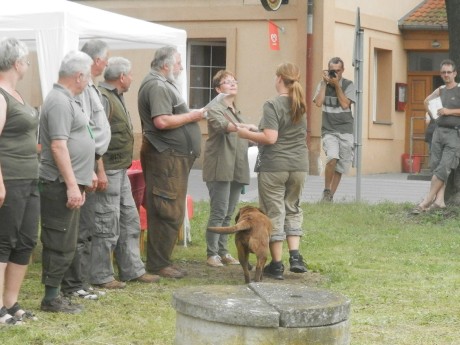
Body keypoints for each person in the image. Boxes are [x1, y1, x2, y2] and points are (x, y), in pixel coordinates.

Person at [138, 46, 206, 278]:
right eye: (178, 62)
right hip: (165, 157)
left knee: (171, 208)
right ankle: (158, 264)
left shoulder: (162, 83)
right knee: (165, 208)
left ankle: (162, 260)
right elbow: (162, 121)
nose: (181, 67)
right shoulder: (157, 85)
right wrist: (193, 115)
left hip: (171, 156)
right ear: (165, 65)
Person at [237, 62, 309, 280]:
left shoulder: (272, 104)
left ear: (279, 78)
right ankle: (295, 256)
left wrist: (246, 135)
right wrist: (255, 128)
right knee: (293, 208)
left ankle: (277, 265)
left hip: (275, 165)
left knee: (274, 211)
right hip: (298, 164)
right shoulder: (300, 102)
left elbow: (271, 137)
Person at [92, 57, 159, 285]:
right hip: (108, 171)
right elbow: (96, 139)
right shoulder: (103, 98)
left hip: (120, 170)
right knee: (106, 223)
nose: (131, 78)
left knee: (129, 220)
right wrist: (99, 171)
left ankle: (133, 269)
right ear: (122, 77)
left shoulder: (116, 96)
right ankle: (101, 274)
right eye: (130, 74)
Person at [39, 50, 94, 313]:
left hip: (69, 182)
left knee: (67, 241)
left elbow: (77, 139)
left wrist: (86, 173)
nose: (89, 81)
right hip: (59, 183)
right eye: (89, 76)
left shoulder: (67, 99)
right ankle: (51, 298)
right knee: (58, 240)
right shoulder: (59, 101)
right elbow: (58, 146)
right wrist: (73, 185)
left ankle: (56, 293)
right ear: (79, 75)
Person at [60, 40, 114, 298]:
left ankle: (80, 282)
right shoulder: (80, 90)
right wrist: (94, 167)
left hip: (91, 160)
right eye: (105, 59)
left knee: (86, 228)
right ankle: (74, 285)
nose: (106, 64)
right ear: (94, 61)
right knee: (79, 230)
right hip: (85, 162)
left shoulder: (90, 86)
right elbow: (84, 129)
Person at [0, 38, 39, 325]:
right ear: (16, 62)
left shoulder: (17, 93)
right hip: (10, 178)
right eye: (26, 60)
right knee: (4, 242)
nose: (27, 65)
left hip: (29, 178)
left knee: (26, 241)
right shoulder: (1, 96)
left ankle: (11, 303)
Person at [203, 70, 256, 267]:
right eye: (227, 82)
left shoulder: (236, 109)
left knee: (229, 211)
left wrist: (256, 138)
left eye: (234, 80)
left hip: (237, 166)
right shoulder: (214, 108)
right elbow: (224, 126)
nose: (233, 84)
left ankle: (224, 251)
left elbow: (242, 134)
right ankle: (212, 253)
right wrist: (246, 127)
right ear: (218, 89)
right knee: (219, 210)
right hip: (220, 165)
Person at [412, 59, 460, 213]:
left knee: (444, 167)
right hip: (438, 132)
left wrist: (449, 111)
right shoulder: (440, 90)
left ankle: (425, 202)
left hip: (454, 132)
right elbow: (426, 101)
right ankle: (439, 201)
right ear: (441, 74)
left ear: (455, 73)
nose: (446, 75)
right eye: (443, 72)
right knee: (436, 166)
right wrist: (433, 115)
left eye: (449, 72)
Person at [313, 57, 356, 202]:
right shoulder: (322, 84)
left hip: (346, 130)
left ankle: (329, 197)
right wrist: (325, 84)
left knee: (341, 165)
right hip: (329, 129)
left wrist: (337, 85)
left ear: (343, 70)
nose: (335, 74)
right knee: (332, 157)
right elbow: (318, 103)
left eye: (338, 71)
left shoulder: (349, 85)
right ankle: (326, 190)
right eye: (332, 71)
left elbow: (345, 104)